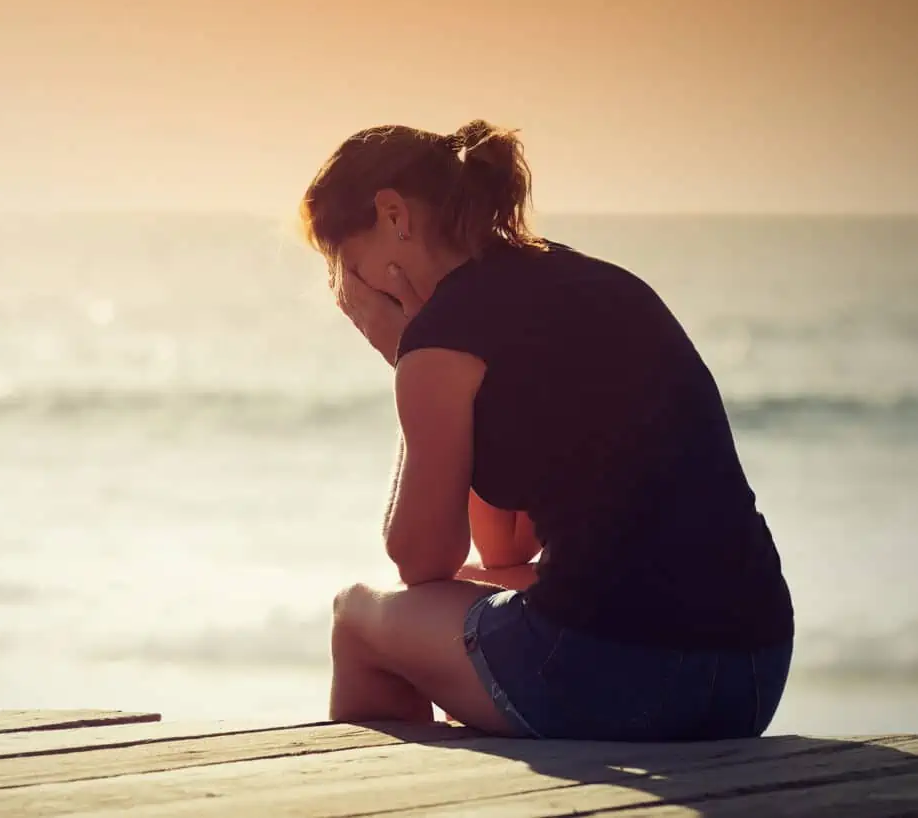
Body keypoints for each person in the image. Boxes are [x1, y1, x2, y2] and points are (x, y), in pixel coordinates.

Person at [299, 120, 795, 741]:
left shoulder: (440, 338)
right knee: (484, 597)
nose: (352, 294)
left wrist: (408, 358)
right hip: (753, 672)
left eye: (347, 266)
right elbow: (506, 550)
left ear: (394, 214)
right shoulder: (579, 278)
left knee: (357, 615)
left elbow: (419, 557)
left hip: (621, 678)